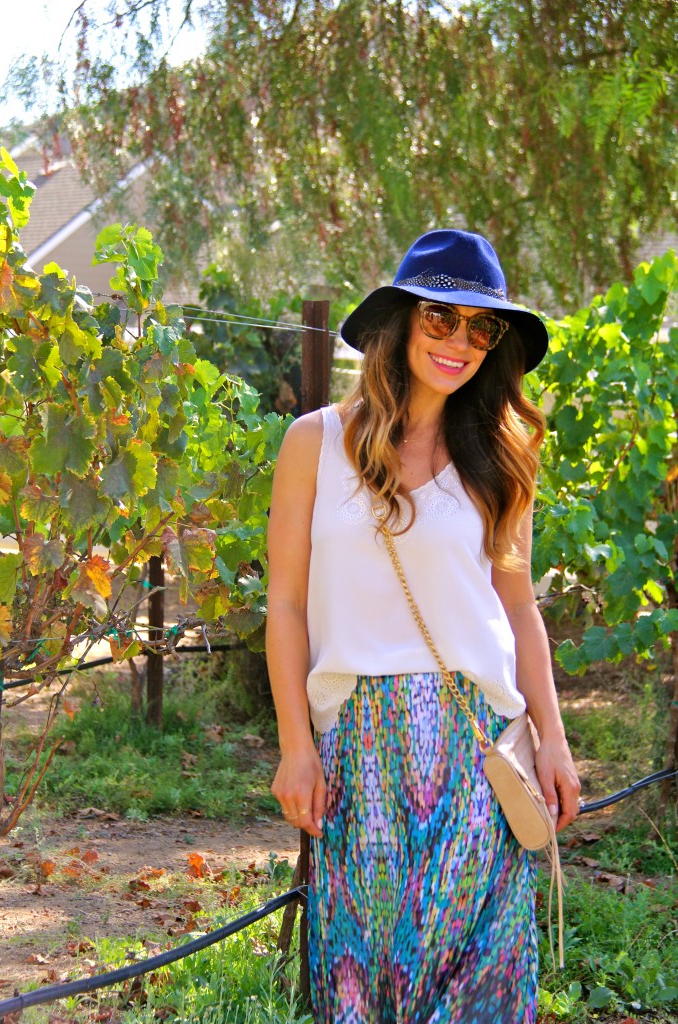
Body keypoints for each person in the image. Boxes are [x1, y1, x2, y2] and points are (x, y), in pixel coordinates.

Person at [266, 229, 580, 1023]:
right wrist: (296, 747)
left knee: (475, 980)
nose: (461, 343)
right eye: (442, 318)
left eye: (483, 328)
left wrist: (553, 736)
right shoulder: (315, 443)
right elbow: (289, 606)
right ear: (401, 321)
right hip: (356, 751)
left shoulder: (500, 455)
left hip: (475, 743)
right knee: (363, 978)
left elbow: (518, 607)